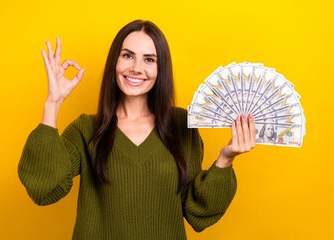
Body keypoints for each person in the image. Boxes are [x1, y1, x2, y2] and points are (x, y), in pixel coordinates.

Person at [18, 20, 256, 239]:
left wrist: (225, 159)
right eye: (128, 56)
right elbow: (44, 188)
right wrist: (53, 103)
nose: (136, 68)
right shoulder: (86, 129)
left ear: (160, 68)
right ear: (115, 61)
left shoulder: (182, 125)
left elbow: (197, 211)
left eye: (149, 59)